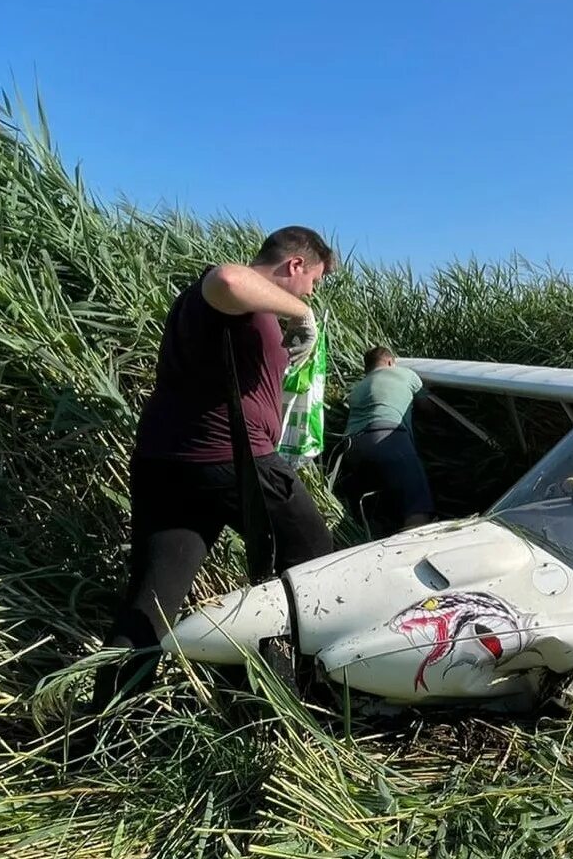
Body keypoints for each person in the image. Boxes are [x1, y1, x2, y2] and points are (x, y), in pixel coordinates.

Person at [92, 226, 338, 713]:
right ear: (295, 266)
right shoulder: (229, 290)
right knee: (315, 563)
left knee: (153, 600)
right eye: (313, 281)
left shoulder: (233, 314)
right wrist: (302, 314)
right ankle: (287, 695)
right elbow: (227, 278)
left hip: (168, 464)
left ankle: (104, 731)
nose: (311, 292)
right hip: (232, 462)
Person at [334, 346, 435, 539]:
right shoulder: (405, 374)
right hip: (387, 438)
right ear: (390, 362)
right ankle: (409, 555)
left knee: (374, 511)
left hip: (351, 447)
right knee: (418, 508)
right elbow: (430, 409)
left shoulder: (357, 387)